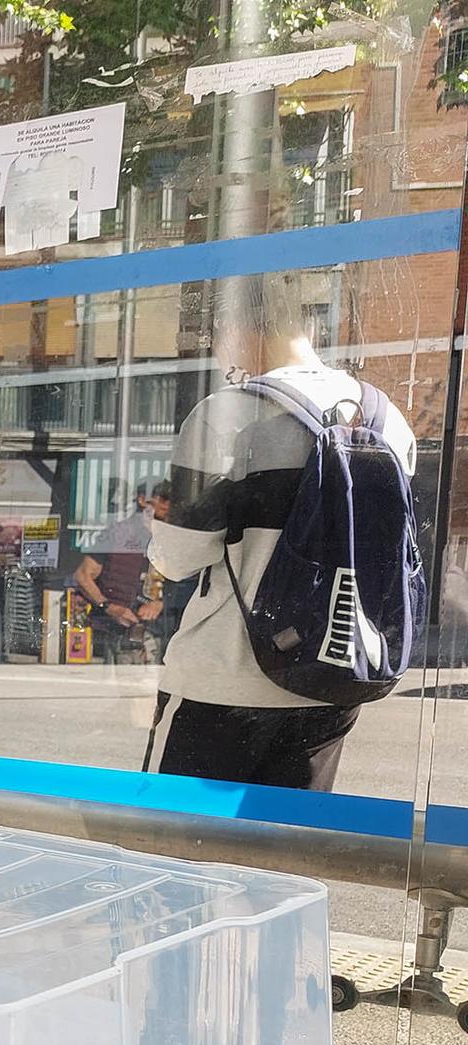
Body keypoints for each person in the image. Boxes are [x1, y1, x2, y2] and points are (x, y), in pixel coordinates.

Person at [144, 273, 415, 789]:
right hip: (335, 678)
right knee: (282, 854)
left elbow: (175, 559)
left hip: (224, 679)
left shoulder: (223, 414)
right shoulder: (387, 419)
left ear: (239, 326)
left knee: (170, 848)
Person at [71, 482, 171, 663]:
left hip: (160, 633)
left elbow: (184, 582)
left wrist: (161, 603)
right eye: (163, 498)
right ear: (142, 500)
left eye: (172, 499)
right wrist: (108, 606)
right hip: (117, 631)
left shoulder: (171, 537)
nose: (168, 504)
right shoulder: (117, 533)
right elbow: (83, 575)